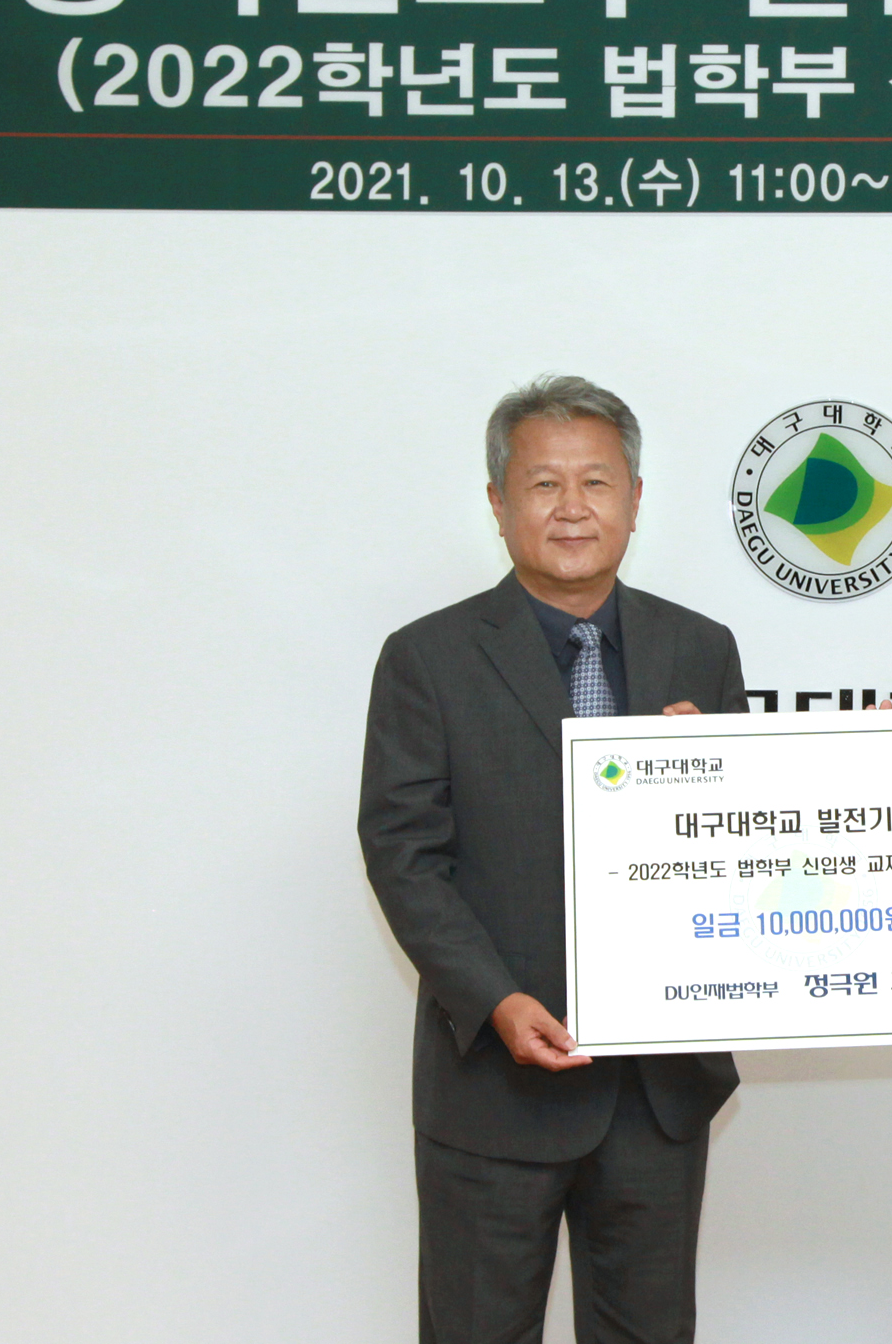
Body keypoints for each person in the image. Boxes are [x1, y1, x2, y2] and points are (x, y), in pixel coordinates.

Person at [359, 375, 749, 1344]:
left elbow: (742, 847)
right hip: (495, 1088)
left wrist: (719, 776)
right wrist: (494, 1000)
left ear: (635, 500)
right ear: (499, 503)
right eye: (543, 484)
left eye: (597, 482)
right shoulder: (428, 658)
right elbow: (403, 854)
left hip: (656, 1093)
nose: (573, 508)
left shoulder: (701, 649)